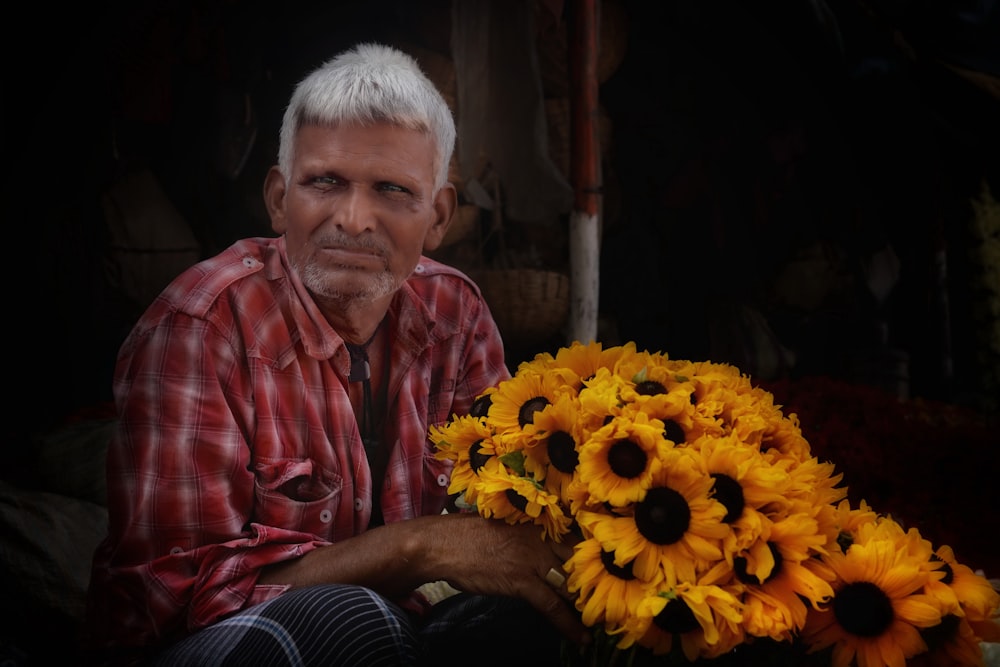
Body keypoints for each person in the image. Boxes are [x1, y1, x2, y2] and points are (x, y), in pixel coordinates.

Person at [84, 42, 587, 667]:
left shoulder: (456, 314)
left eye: (393, 191)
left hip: (396, 632)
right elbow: (174, 603)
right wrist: (419, 549)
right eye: (325, 182)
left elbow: (500, 511)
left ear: (438, 217)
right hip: (196, 649)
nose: (353, 219)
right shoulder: (203, 326)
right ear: (277, 198)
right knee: (351, 619)